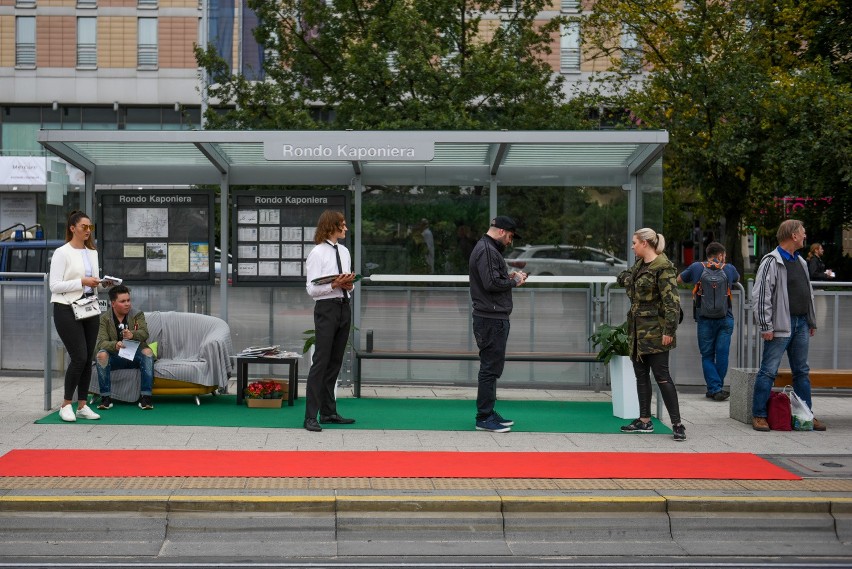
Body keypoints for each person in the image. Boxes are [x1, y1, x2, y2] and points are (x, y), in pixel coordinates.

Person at [752, 219, 826, 432]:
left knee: (801, 371)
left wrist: (810, 321)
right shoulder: (771, 262)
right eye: (802, 232)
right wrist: (766, 326)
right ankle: (759, 415)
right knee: (768, 371)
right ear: (793, 236)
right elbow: (761, 296)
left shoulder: (801, 261)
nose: (805, 236)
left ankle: (806, 415)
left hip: (801, 323)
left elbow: (807, 294)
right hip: (780, 326)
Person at [616, 228, 686, 441]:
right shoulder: (640, 265)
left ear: (645, 243)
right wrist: (630, 280)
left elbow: (672, 303)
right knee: (641, 375)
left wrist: (669, 331)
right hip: (637, 329)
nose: (632, 246)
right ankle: (644, 420)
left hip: (656, 329)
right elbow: (622, 278)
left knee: (662, 376)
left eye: (634, 242)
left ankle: (677, 424)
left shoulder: (663, 268)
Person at [49, 210, 111, 423]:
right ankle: (66, 404)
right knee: (79, 357)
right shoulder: (62, 252)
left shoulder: (91, 252)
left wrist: (101, 283)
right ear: (72, 228)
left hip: (89, 307)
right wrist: (83, 282)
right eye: (84, 227)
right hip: (65, 307)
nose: (87, 230)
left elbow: (90, 283)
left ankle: (82, 405)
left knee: (87, 359)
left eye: (90, 227)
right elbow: (54, 286)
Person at [468, 215, 527, 433]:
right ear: (502, 231)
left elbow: (491, 279)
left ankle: (488, 412)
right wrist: (514, 281)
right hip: (490, 318)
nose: (510, 241)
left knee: (491, 367)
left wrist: (508, 276)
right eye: (510, 236)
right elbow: (491, 283)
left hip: (490, 316)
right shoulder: (487, 250)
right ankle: (484, 416)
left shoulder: (486, 248)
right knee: (490, 368)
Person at [303, 210, 357, 432]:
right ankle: (310, 417)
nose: (345, 229)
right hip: (326, 309)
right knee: (321, 361)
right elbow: (311, 289)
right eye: (342, 225)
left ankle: (328, 412)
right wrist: (333, 285)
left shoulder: (344, 252)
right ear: (331, 226)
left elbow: (348, 284)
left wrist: (348, 285)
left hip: (344, 307)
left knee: (335, 361)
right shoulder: (317, 253)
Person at [677, 242, 740, 401]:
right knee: (722, 354)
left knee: (707, 355)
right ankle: (716, 388)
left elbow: (678, 280)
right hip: (725, 318)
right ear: (720, 255)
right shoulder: (729, 268)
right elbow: (737, 279)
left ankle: (714, 388)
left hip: (704, 318)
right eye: (723, 256)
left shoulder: (696, 267)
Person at [94, 285, 156, 410]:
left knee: (148, 352)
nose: (127, 304)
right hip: (116, 356)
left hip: (135, 356)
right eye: (123, 301)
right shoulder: (104, 319)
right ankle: (106, 398)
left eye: (128, 300)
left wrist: (133, 334)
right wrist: (115, 345)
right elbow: (101, 343)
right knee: (101, 355)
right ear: (113, 303)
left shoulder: (137, 314)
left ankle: (146, 398)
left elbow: (145, 333)